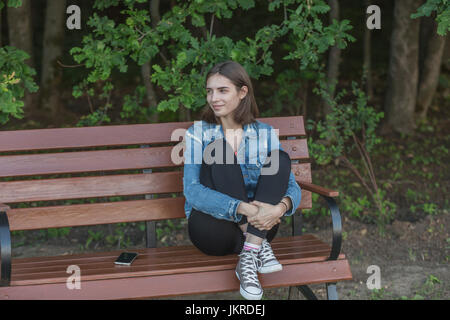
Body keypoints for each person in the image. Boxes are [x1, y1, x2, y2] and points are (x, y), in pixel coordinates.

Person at [183, 60, 301, 300]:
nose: (213, 97)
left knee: (279, 158)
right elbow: (192, 191)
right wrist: (246, 209)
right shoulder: (198, 134)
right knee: (219, 151)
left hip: (263, 226)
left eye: (222, 90)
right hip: (212, 229)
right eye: (209, 91)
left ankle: (249, 253)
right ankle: (256, 246)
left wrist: (279, 209)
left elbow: (291, 186)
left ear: (243, 92)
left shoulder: (266, 134)